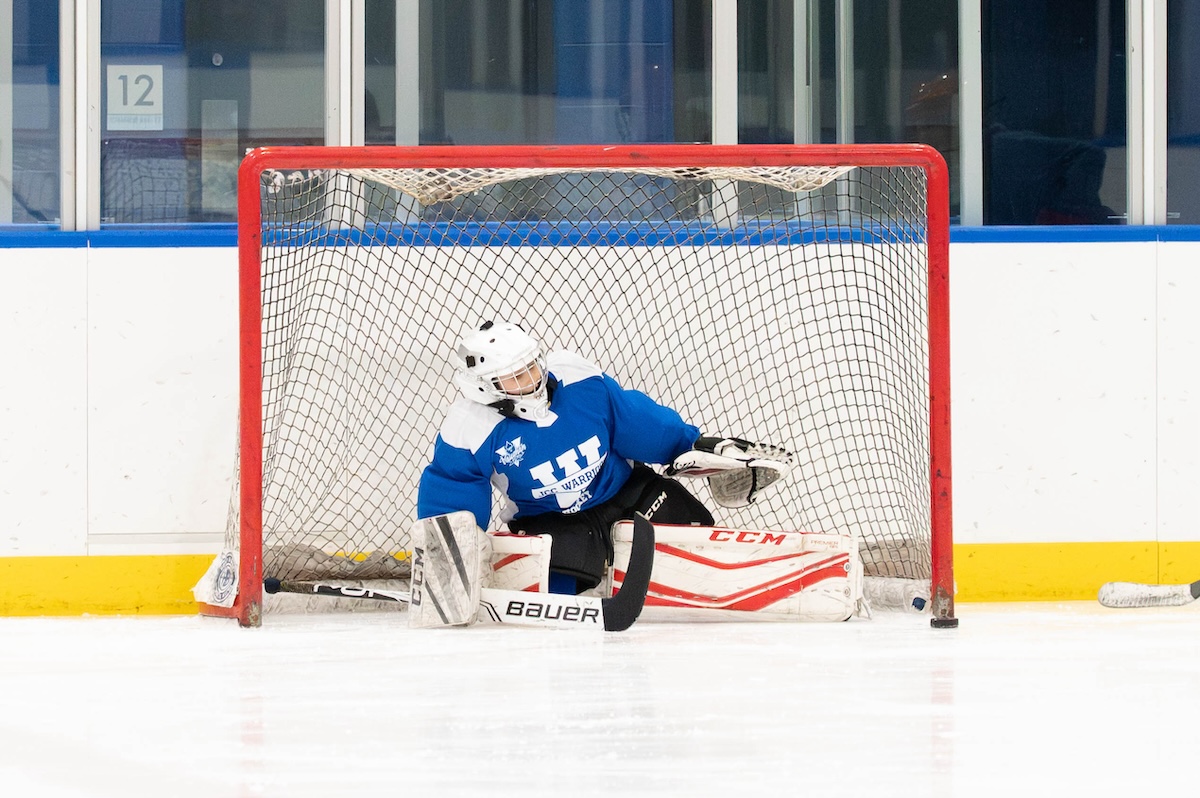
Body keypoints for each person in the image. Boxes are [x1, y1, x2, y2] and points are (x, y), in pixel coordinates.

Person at [417, 320, 727, 596]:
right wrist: (448, 552)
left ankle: (712, 573)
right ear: (486, 388)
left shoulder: (578, 380)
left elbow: (633, 418)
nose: (531, 381)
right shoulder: (471, 427)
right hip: (551, 518)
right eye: (515, 377)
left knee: (685, 519)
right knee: (559, 578)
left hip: (625, 491)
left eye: (532, 367)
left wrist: (688, 444)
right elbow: (453, 488)